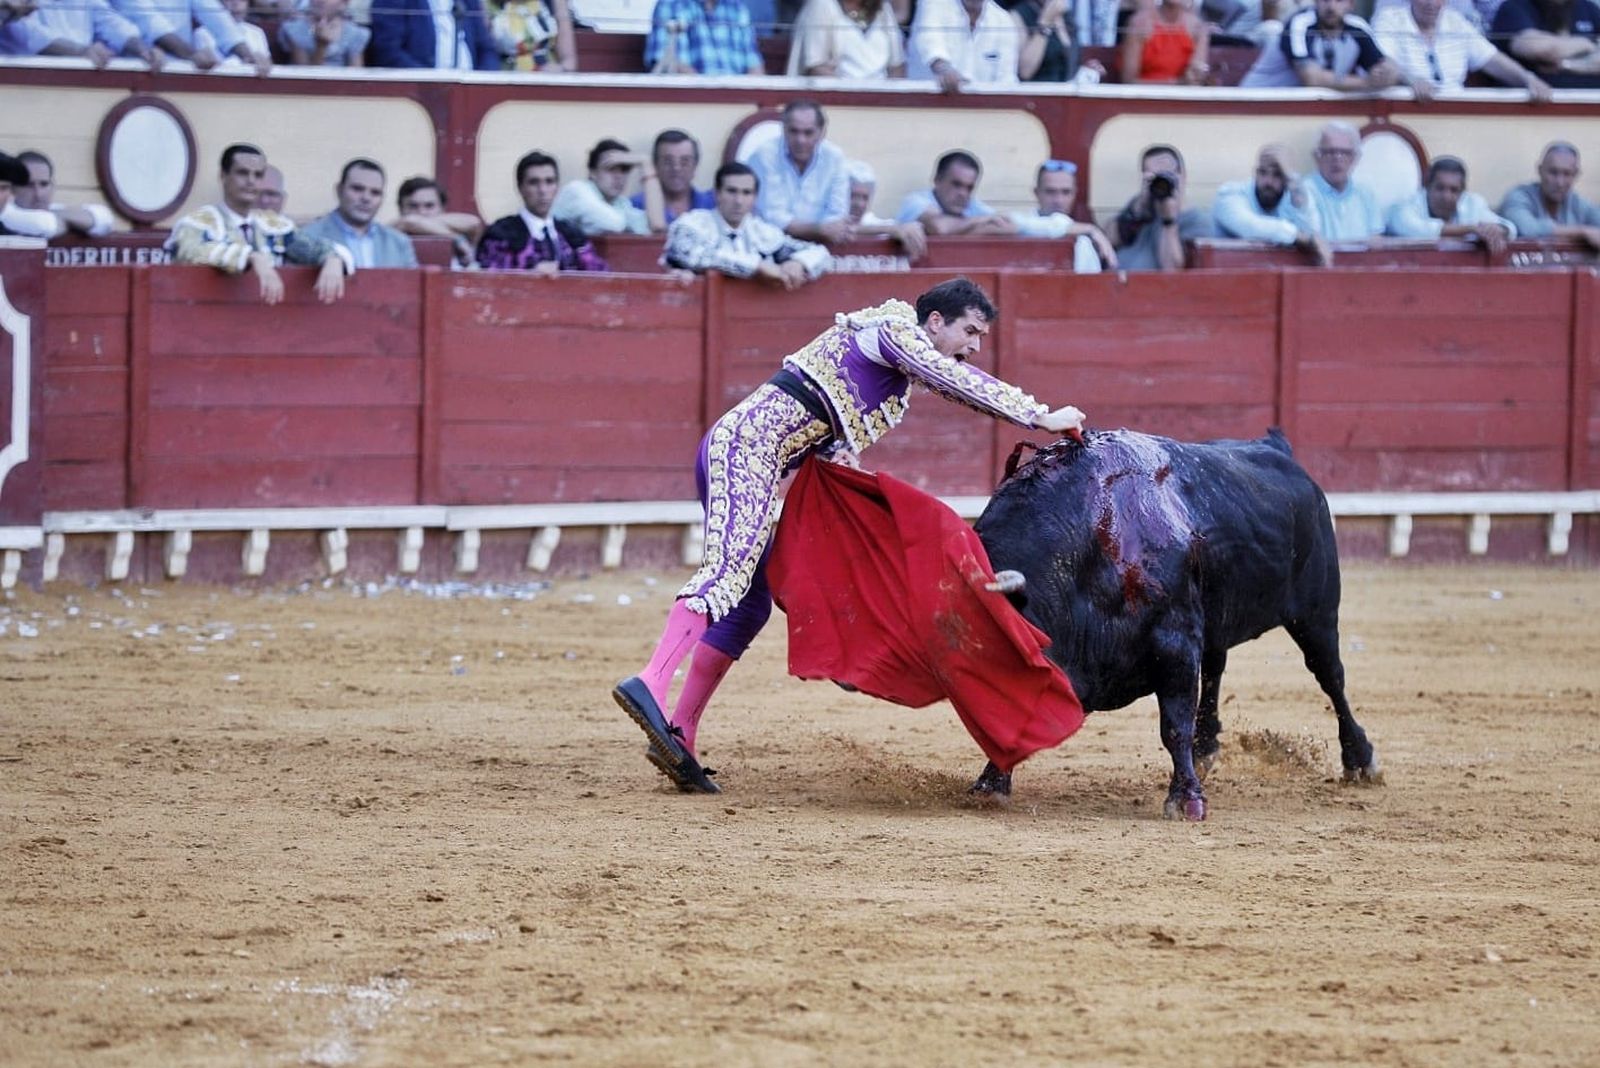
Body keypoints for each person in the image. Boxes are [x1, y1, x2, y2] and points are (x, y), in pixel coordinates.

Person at [611, 277, 1087, 793]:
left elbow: (828, 440)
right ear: (934, 322)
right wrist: (1038, 415)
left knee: (748, 607)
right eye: (970, 332)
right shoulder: (891, 331)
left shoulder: (892, 377)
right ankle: (651, 681)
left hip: (757, 458)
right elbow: (951, 379)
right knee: (726, 575)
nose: (974, 346)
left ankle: (681, 734)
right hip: (745, 451)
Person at [166, 143, 352, 306]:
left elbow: (312, 247)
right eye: (242, 173)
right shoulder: (198, 222)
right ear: (223, 175)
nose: (251, 181)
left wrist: (333, 259)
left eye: (258, 175)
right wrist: (251, 257)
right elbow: (189, 252)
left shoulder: (274, 226)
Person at [662, 161, 831, 286]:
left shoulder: (762, 233)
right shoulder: (692, 224)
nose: (739, 201)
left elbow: (820, 253)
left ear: (755, 198)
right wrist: (757, 266)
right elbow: (690, 253)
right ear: (717, 193)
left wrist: (799, 263)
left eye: (746, 193)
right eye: (731, 191)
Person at [1371, 0, 1552, 100]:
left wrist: (1528, 79)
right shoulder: (1389, 19)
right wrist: (1412, 81)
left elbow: (1492, 60)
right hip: (1409, 109)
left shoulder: (1456, 21)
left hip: (1455, 111)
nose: (1431, 4)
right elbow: (1385, 64)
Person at [477, 151, 609, 272]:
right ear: (520, 188)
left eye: (549, 182)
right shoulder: (501, 234)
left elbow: (600, 274)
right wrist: (530, 273)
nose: (543, 190)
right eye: (534, 183)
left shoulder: (571, 234)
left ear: (557, 187)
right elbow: (491, 277)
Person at [746, 100, 852, 244]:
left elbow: (837, 214)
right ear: (783, 129)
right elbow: (773, 218)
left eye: (808, 133)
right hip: (769, 243)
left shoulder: (834, 157)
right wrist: (820, 230)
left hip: (821, 245)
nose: (800, 140)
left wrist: (826, 229)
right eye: (793, 131)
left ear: (822, 132)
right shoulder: (765, 155)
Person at [1240, 0, 1403, 90]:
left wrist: (1387, 73)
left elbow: (1384, 66)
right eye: (1325, 0)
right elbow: (1311, 78)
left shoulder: (1358, 27)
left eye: (1339, 0)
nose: (1331, 7)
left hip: (1304, 108)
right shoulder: (1300, 23)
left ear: (1351, 4)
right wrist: (1366, 83)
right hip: (1259, 101)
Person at [1213, 144, 1332, 265]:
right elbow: (1250, 226)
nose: (1268, 181)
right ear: (1256, 173)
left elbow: (1312, 232)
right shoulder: (1230, 194)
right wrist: (1297, 236)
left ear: (1286, 179)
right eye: (1263, 173)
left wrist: (1294, 184)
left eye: (1277, 174)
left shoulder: (1291, 196)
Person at [300, 158, 420, 269]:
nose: (366, 198)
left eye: (375, 192)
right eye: (357, 189)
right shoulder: (309, 237)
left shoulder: (399, 243)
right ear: (339, 190)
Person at [1113, 143, 1216, 271]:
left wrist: (1169, 221)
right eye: (1153, 177)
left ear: (1183, 176)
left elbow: (1171, 268)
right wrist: (1137, 210)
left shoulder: (1198, 223)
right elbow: (1110, 239)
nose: (1160, 182)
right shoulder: (1142, 207)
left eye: (1166, 175)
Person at [1385, 156, 1515, 254]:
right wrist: (1472, 229)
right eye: (1440, 188)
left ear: (1462, 192)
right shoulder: (1406, 203)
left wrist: (1498, 230)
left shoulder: (1472, 203)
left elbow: (1510, 228)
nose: (1446, 197)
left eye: (1454, 190)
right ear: (1427, 186)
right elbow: (1414, 228)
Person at [1009, 159, 1117, 271]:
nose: (1058, 200)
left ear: (1074, 194)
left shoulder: (1083, 242)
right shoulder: (1016, 226)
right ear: (1036, 193)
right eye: (1050, 192)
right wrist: (1090, 229)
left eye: (1066, 192)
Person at [1498, 141, 1600, 250]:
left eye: (1567, 174)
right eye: (1553, 172)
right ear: (1540, 170)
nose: (1560, 182)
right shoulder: (1519, 196)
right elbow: (1528, 229)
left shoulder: (1578, 204)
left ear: (1576, 174)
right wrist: (1582, 232)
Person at [0, 0, 162, 67]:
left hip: (81, 81)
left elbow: (110, 22)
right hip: (28, 83)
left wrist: (142, 49)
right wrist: (81, 52)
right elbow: (25, 33)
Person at [895, 150, 1017, 236]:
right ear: (937, 180)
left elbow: (1009, 228)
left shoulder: (973, 206)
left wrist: (957, 229)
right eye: (956, 185)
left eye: (969, 188)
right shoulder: (916, 201)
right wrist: (981, 221)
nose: (963, 194)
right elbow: (939, 227)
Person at [907, 0, 1022, 91]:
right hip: (927, 105)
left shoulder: (1003, 20)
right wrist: (944, 70)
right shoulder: (932, 4)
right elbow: (930, 43)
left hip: (983, 109)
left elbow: (1006, 80)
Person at [1, 150, 115, 238]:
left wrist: (61, 218)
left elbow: (104, 218)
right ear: (13, 189)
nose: (38, 194)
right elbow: (45, 225)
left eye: (44, 184)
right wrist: (72, 221)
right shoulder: (5, 214)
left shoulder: (52, 210)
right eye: (28, 185)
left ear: (53, 186)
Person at [552, 138, 654, 236]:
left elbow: (654, 227)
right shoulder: (576, 190)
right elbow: (615, 225)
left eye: (624, 170)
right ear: (592, 172)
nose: (618, 176)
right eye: (611, 168)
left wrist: (646, 162)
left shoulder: (620, 203)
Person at [1301, 121, 1384, 241]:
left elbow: (1376, 241)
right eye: (1330, 152)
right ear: (1316, 156)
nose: (1337, 159)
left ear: (1355, 158)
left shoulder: (1366, 194)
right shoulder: (1302, 192)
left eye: (1345, 153)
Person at [1491, 0, 1600, 88]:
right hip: (1536, 101)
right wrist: (1587, 44)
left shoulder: (1587, 8)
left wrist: (1567, 65)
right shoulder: (1515, 7)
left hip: (1589, 98)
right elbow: (1537, 48)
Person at [786, 0, 905, 77]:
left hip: (882, 99)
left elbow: (896, 65)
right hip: (838, 98)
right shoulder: (821, 4)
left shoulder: (883, 7)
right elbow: (815, 67)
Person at [369, 0, 499, 70]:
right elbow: (388, 52)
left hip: (471, 90)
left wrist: (482, 80)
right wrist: (431, 80)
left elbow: (487, 50)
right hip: (421, 93)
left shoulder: (469, 2)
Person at [644, 0, 764, 75]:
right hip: (692, 100)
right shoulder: (670, 4)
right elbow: (667, 63)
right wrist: (711, 95)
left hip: (739, 101)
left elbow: (754, 65)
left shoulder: (737, 7)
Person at [631, 129, 715, 232]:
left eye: (685, 161)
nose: (676, 168)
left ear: (695, 165)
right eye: (668, 161)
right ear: (655, 165)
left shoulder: (713, 205)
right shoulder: (635, 207)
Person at [844, 159, 928, 261]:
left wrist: (910, 229)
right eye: (852, 196)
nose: (859, 204)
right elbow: (843, 230)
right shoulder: (827, 221)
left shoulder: (874, 222)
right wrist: (889, 229)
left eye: (865, 198)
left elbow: (898, 228)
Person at [394, 175, 484, 267]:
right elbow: (408, 222)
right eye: (413, 206)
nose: (422, 212)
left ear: (442, 207)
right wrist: (456, 238)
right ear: (400, 208)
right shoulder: (391, 231)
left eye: (429, 206)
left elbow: (474, 223)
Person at [1014, 0, 1109, 83]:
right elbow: (1025, 72)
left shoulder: (1065, 15)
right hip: (1037, 93)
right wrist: (1044, 23)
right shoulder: (1019, 14)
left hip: (1065, 93)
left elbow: (1067, 62)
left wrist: (1084, 69)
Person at [1120, 0, 1211, 84]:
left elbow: (1196, 76)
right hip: (1144, 94)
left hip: (1182, 94)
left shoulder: (1198, 28)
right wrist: (1175, 83)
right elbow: (1128, 80)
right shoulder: (1139, 23)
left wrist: (1195, 75)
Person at [489, 0, 578, 71]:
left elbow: (569, 62)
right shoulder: (486, 4)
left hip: (547, 76)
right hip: (502, 77)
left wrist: (561, 69)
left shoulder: (556, 2)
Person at [278, 0, 368, 66]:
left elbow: (356, 75)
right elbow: (305, 77)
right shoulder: (294, 29)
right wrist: (321, 47)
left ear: (344, 3)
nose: (321, 1)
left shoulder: (355, 33)